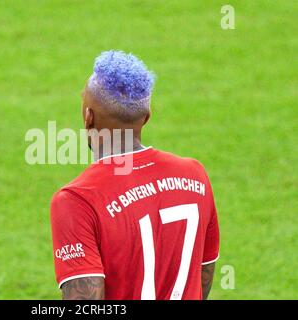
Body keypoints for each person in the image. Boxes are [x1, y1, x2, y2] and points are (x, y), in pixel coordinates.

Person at [50, 50, 219, 300]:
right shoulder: (194, 176)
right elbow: (202, 276)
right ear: (147, 117)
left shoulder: (77, 200)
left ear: (88, 118)